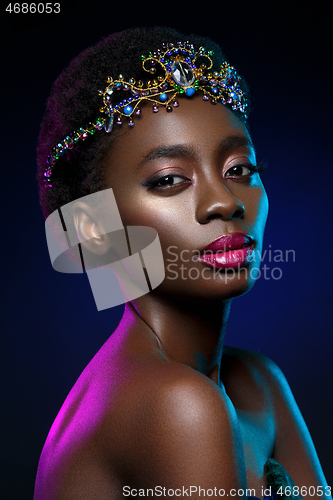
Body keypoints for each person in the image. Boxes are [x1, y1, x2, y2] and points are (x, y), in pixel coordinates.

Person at [34, 26, 330, 500]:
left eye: (239, 169)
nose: (224, 203)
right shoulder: (176, 402)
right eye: (170, 179)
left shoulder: (258, 383)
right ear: (96, 229)